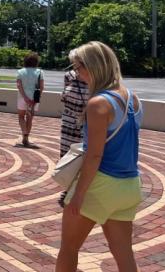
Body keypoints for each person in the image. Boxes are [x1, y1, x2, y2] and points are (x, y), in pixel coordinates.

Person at [56, 41, 143, 272]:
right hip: (129, 185)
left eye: (78, 67)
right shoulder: (133, 98)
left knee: (69, 248)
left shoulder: (98, 104)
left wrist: (78, 195)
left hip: (101, 184)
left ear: (92, 66)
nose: (77, 73)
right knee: (124, 253)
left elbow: (95, 155)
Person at [58, 49, 89, 207]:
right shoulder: (68, 76)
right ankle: (68, 188)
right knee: (67, 156)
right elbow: (65, 94)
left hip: (86, 123)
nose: (74, 67)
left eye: (77, 64)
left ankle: (78, 190)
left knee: (83, 157)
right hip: (69, 121)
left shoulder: (94, 79)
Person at [16, 52, 43, 147]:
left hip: (22, 98)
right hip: (34, 99)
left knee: (21, 117)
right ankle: (26, 138)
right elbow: (41, 87)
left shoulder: (20, 72)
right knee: (30, 118)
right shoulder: (40, 72)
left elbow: (19, 85)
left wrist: (25, 97)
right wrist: (35, 98)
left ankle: (24, 133)